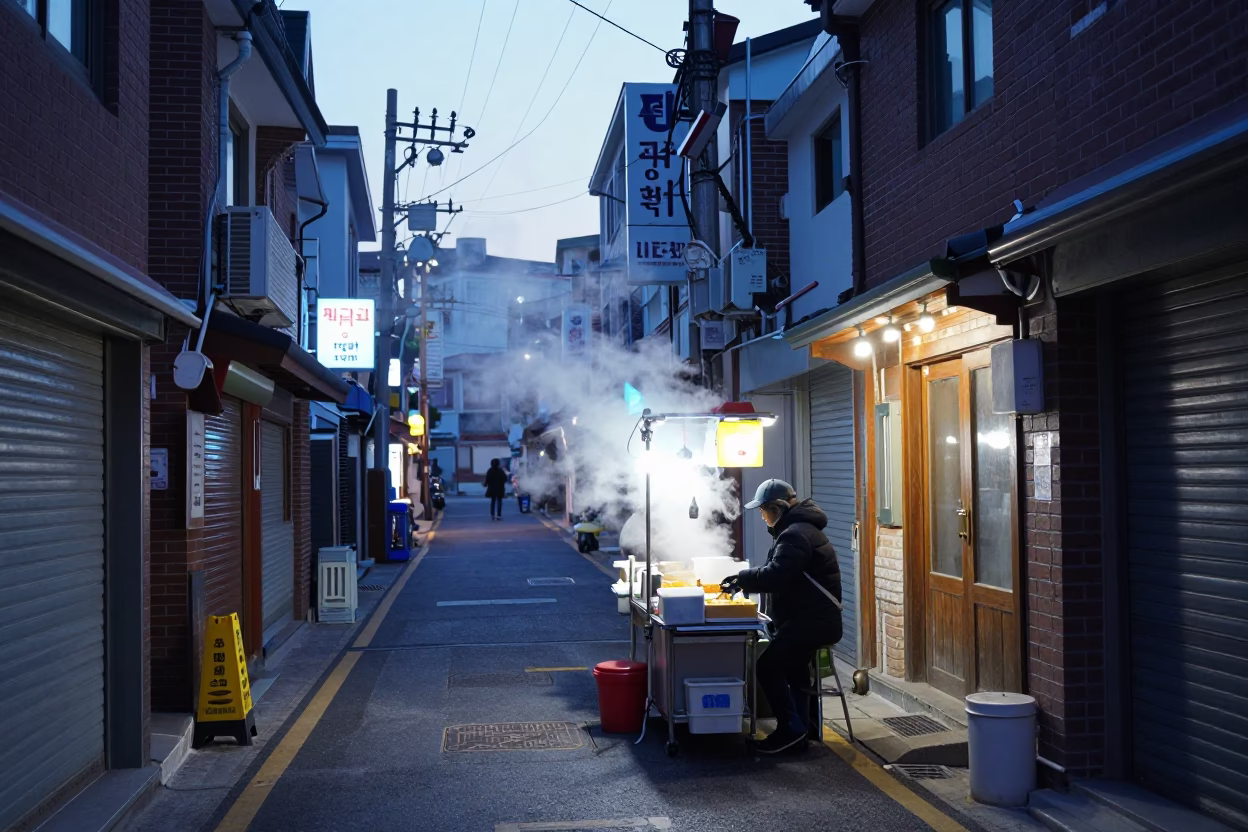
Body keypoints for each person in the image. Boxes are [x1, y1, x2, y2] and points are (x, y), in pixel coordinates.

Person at [720, 478, 842, 755]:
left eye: (764, 510)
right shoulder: (799, 530)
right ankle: (803, 728)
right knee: (795, 668)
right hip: (814, 620)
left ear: (778, 508)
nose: (763, 516)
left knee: (767, 667)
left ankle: (790, 730)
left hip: (811, 622)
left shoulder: (795, 535)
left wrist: (742, 579)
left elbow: (777, 575)